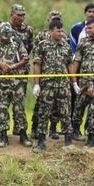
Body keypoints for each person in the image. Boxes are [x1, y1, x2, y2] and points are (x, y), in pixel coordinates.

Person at [0, 22, 30, 148]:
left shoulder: (17, 43)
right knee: (2, 108)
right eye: (4, 36)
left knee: (19, 108)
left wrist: (13, 66)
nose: (6, 39)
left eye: (8, 36)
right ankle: (4, 136)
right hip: (1, 83)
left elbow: (25, 59)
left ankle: (23, 134)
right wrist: (0, 65)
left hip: (16, 81)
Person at [32, 20, 75, 152]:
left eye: (62, 31)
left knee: (65, 112)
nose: (61, 33)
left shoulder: (66, 46)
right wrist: (36, 84)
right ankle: (41, 142)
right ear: (51, 31)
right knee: (44, 113)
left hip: (63, 85)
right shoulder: (42, 46)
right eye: (58, 31)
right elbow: (37, 65)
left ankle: (68, 141)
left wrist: (74, 83)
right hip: (47, 85)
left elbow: (70, 65)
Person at [31, 10, 64, 140]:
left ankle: (53, 128)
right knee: (41, 104)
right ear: (48, 20)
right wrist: (37, 82)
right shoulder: (41, 36)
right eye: (53, 18)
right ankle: (35, 128)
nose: (55, 20)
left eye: (58, 18)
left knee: (56, 105)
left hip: (58, 77)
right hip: (45, 76)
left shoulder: (63, 35)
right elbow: (36, 56)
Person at [70, 19, 94, 140]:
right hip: (85, 81)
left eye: (89, 28)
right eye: (86, 28)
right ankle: (75, 131)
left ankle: (93, 133)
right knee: (79, 107)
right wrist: (74, 81)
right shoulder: (83, 42)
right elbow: (76, 61)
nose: (87, 30)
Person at [8, 4, 33, 137]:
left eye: (23, 15)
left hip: (21, 70)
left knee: (20, 98)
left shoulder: (28, 30)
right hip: (6, 70)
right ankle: (2, 129)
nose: (21, 17)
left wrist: (20, 63)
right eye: (19, 15)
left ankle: (19, 128)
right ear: (11, 14)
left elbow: (29, 48)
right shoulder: (5, 28)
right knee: (5, 99)